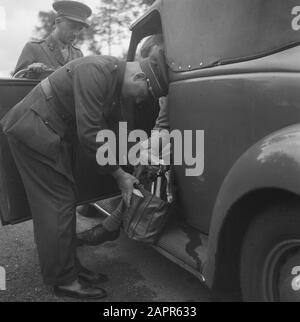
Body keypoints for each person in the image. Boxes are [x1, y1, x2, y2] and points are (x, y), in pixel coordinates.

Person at [0, 50, 168, 300]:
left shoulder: (112, 79)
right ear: (140, 77)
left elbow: (112, 130)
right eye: (146, 93)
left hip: (50, 130)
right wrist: (119, 175)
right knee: (56, 204)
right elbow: (89, 134)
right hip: (33, 129)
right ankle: (64, 280)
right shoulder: (97, 70)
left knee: (64, 201)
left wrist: (135, 160)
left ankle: (70, 268)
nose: (142, 100)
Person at [14, 1, 92, 80]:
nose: (75, 33)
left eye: (80, 29)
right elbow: (15, 83)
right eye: (72, 26)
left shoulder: (78, 55)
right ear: (58, 22)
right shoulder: (34, 48)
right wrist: (30, 73)